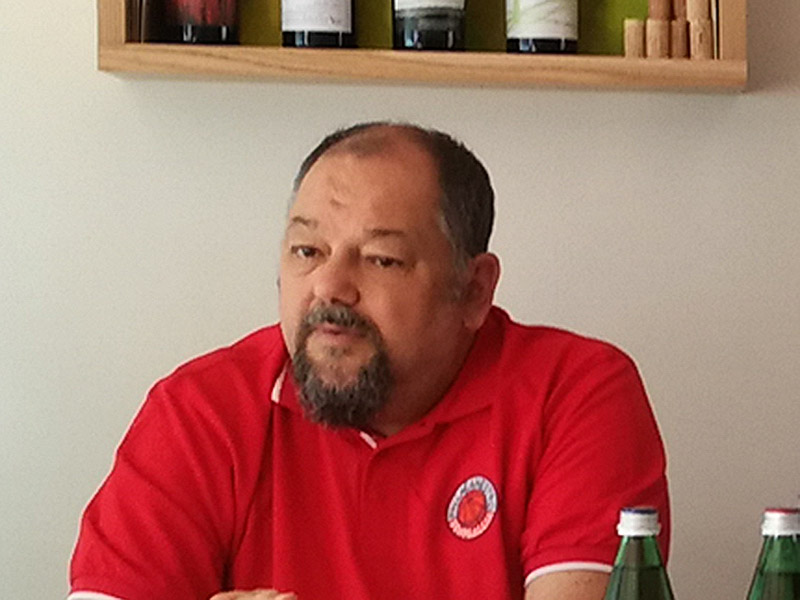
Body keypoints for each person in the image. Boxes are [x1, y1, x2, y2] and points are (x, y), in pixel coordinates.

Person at [69, 122, 670, 600]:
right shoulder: (199, 411)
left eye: (382, 259)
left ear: (473, 290)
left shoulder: (575, 393)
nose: (329, 287)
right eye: (307, 250)